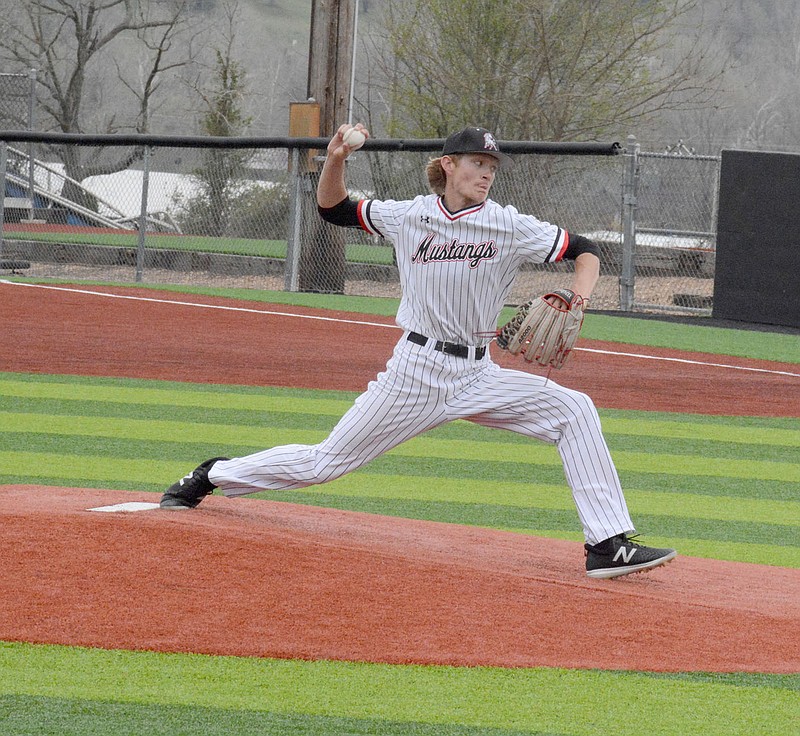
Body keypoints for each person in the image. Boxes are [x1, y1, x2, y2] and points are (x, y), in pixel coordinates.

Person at [161, 124, 677, 580]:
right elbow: (333, 208)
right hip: (416, 372)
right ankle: (214, 474)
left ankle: (606, 545)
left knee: (574, 409)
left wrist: (578, 298)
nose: (486, 173)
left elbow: (586, 248)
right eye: (477, 162)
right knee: (324, 464)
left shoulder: (510, 224)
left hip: (479, 373)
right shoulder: (408, 216)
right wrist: (336, 158)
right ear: (448, 166)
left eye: (492, 165)